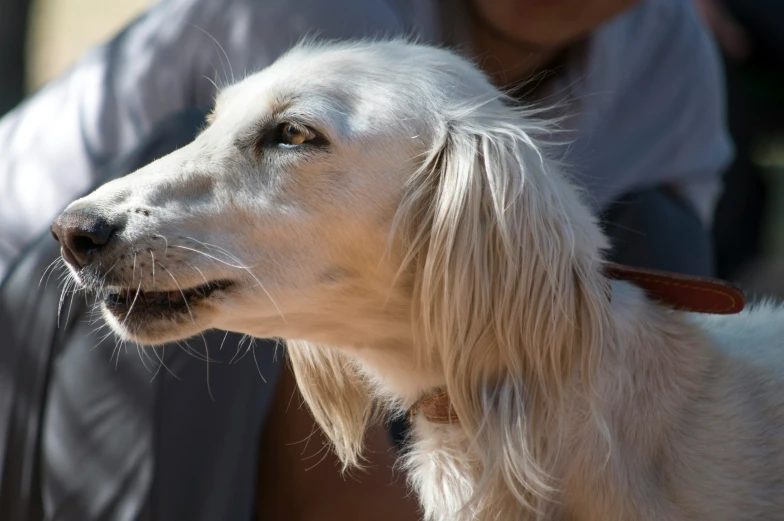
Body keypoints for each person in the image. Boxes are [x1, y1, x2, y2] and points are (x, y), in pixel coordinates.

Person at [0, 0, 732, 519]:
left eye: (288, 136)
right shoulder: (331, 29)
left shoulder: (671, 56)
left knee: (653, 232)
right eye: (290, 134)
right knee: (311, 270)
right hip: (34, 303)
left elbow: (655, 306)